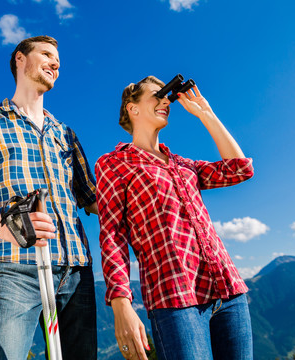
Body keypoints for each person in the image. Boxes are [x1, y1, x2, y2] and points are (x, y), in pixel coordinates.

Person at [0, 35, 98, 360]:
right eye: (46, 54)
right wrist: (7, 229)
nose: (55, 63)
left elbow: (94, 200)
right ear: (20, 59)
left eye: (57, 59)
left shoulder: (66, 133)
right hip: (14, 267)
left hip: (75, 269)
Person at [95, 76, 254, 360]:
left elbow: (239, 169)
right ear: (132, 108)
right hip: (174, 297)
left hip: (228, 290)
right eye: (156, 95)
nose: (165, 101)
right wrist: (121, 302)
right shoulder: (114, 164)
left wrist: (206, 114)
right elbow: (112, 233)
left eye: (167, 96)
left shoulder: (183, 164)